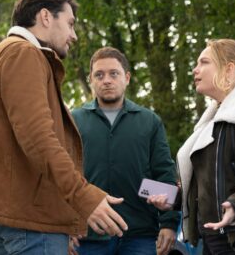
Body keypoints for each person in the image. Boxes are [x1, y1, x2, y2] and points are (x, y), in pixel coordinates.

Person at [0, 0, 128, 255]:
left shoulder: (9, 53)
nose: (73, 35)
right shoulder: (22, 54)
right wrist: (82, 197)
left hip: (20, 217)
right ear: (44, 17)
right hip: (30, 221)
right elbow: (38, 138)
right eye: (70, 23)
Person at [148, 39, 235, 254]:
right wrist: (173, 200)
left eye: (204, 62)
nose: (195, 69)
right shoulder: (211, 121)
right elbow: (206, 185)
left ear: (228, 69)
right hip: (212, 237)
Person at [70, 47, 180, 255]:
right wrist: (65, 227)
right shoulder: (75, 121)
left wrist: (168, 223)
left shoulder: (150, 121)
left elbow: (164, 172)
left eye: (114, 73)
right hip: (88, 236)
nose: (107, 80)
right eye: (99, 75)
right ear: (91, 80)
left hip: (139, 235)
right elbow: (64, 176)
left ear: (127, 77)